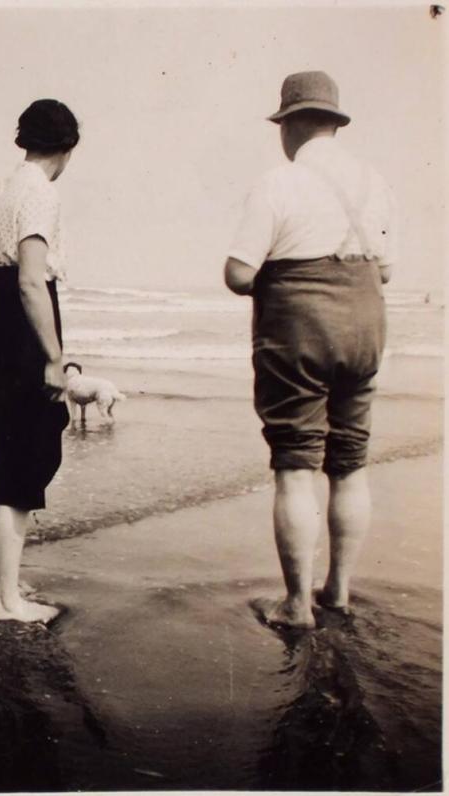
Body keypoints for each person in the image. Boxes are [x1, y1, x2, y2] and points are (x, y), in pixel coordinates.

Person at [224, 71, 397, 628]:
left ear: (291, 124)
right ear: (334, 123)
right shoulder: (376, 182)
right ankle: (338, 592)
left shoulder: (279, 182)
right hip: (367, 330)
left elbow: (238, 272)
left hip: (300, 335)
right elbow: (385, 269)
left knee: (296, 466)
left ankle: (297, 605)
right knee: (349, 465)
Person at [0, 99, 80, 622]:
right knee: (24, 465)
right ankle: (10, 603)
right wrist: (55, 358)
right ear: (67, 148)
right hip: (22, 329)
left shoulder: (2, 189)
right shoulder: (41, 193)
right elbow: (32, 279)